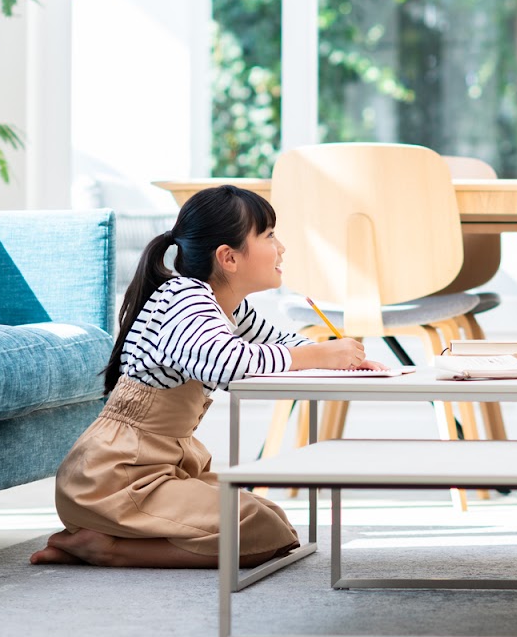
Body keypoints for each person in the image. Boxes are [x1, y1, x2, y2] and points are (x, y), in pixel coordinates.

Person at [30, 184, 378, 567]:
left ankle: (106, 537)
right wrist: (316, 354)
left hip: (156, 468)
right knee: (260, 530)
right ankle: (109, 549)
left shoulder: (224, 307)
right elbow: (226, 363)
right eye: (269, 235)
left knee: (272, 518)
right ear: (228, 258)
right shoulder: (184, 299)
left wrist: (343, 359)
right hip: (117, 478)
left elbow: (276, 341)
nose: (281, 248)